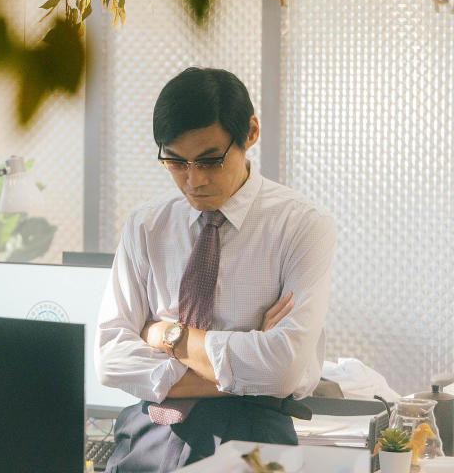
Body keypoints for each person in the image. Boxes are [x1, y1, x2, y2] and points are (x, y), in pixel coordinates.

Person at [95, 67, 336, 473]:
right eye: (175, 162)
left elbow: (283, 368)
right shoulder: (146, 225)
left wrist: (164, 334)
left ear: (251, 133)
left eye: (210, 160)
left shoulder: (302, 225)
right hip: (148, 430)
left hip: (254, 434)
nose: (193, 181)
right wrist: (248, 356)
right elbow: (110, 358)